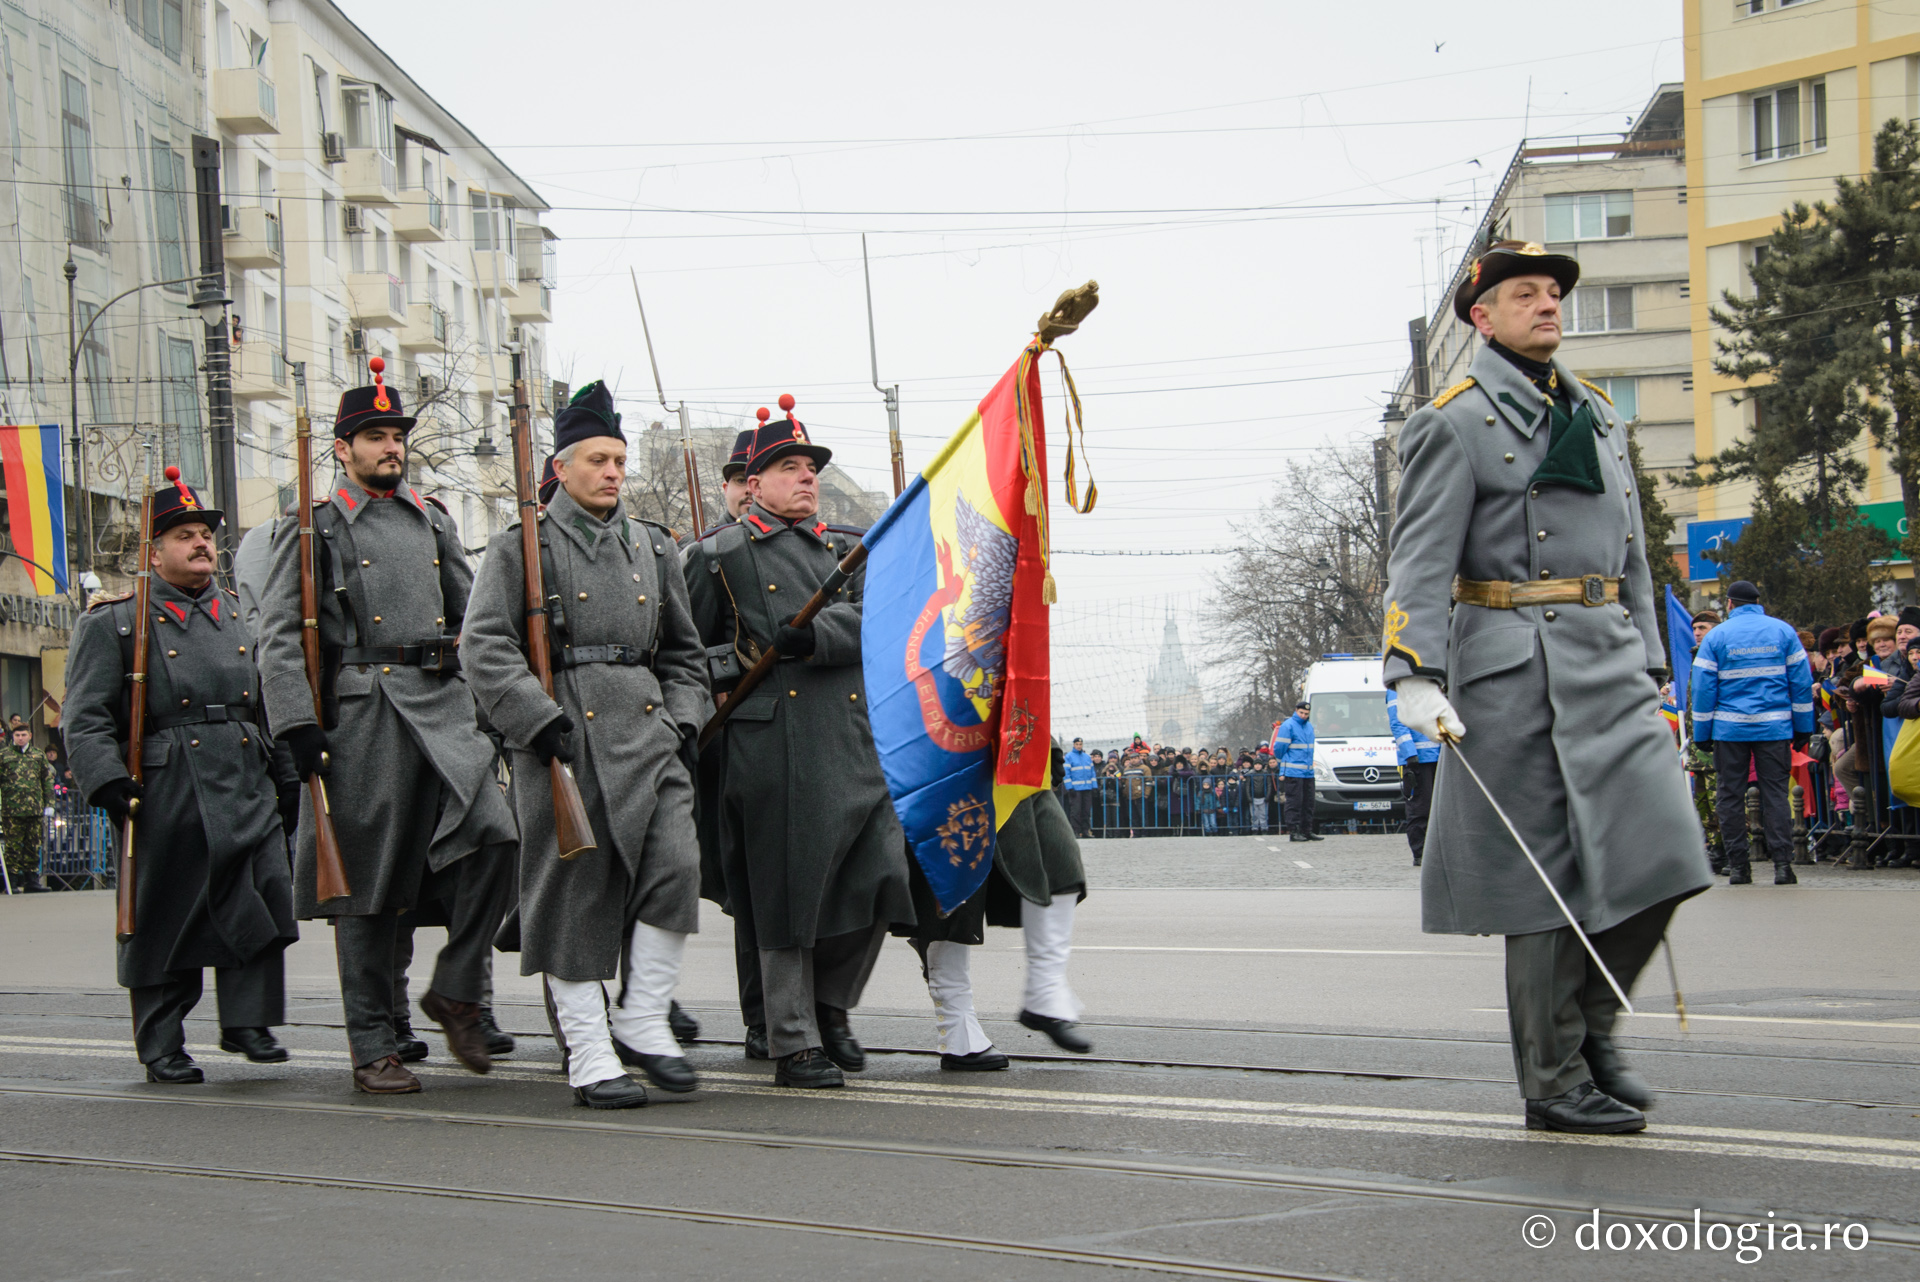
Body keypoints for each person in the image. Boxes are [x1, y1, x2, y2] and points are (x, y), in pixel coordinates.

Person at [1383, 240, 1711, 1135]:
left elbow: (1634, 554)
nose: (1548, 305)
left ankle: (1594, 1024)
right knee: (1543, 886)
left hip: (1606, 658)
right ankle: (1554, 1077)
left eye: (1554, 292)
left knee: (1669, 853)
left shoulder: (1598, 414)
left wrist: (1655, 670)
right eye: (1525, 294)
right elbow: (1417, 561)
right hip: (1512, 664)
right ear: (1481, 317)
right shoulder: (1451, 422)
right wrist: (1415, 670)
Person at [255, 368, 518, 1095]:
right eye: (375, 437)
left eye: (397, 436)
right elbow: (279, 638)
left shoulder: (433, 518)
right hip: (362, 715)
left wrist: (492, 707)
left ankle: (457, 990)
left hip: (441, 705)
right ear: (344, 449)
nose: (390, 448)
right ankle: (373, 1042)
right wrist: (297, 725)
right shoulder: (313, 527)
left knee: (498, 836)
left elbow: (474, 624)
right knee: (369, 891)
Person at [463, 382, 711, 1109]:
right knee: (575, 899)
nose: (612, 473)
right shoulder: (524, 548)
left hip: (648, 731)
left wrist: (685, 721)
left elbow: (684, 655)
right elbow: (483, 646)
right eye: (598, 459)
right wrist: (532, 716)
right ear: (562, 466)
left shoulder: (652, 545)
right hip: (562, 736)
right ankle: (590, 1051)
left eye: (619, 460)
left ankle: (640, 1016)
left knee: (677, 869)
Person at [682, 397, 913, 1088]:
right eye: (790, 467)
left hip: (849, 739)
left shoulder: (844, 552)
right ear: (753, 481)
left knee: (881, 876)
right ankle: (789, 1039)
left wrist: (818, 637)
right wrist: (742, 664)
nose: (807, 478)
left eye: (811, 467)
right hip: (770, 742)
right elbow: (686, 651)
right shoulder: (719, 554)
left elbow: (882, 624)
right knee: (785, 892)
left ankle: (827, 1005)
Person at [63, 471, 298, 1080]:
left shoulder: (237, 615)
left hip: (246, 771)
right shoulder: (116, 622)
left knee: (263, 890)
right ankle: (162, 1042)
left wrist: (287, 771)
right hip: (168, 781)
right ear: (154, 549)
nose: (201, 544)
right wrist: (107, 780)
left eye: (205, 535)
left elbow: (264, 703)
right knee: (166, 911)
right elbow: (84, 719)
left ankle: (248, 1020)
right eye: (184, 535)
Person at [1690, 580, 1812, 886]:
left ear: (1730, 604)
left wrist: (1702, 732)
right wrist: (1803, 727)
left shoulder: (1717, 636)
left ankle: (1740, 868)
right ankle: (1783, 866)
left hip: (1729, 731)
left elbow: (1704, 689)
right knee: (1775, 795)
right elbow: (1800, 682)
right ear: (1758, 602)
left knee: (1729, 796)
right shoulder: (1783, 631)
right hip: (1775, 728)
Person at [1385, 685, 1440, 867]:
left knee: (1439, 809)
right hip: (1416, 760)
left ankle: (1437, 852)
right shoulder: (1397, 689)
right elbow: (1398, 723)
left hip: (1439, 757)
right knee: (1420, 808)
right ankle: (1421, 853)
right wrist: (1410, 754)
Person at [1, 723, 52, 893]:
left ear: (30, 735)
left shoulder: (38, 755)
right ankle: (12, 882)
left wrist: (49, 804)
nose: (20, 738)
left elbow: (47, 780)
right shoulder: (4, 755)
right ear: (13, 737)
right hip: (12, 810)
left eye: (23, 735)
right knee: (12, 847)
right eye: (17, 735)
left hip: (34, 809)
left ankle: (32, 881)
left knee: (33, 845)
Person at [1272, 702, 1319, 843]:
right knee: (1294, 803)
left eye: (1306, 714)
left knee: (1308, 803)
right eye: (1301, 713)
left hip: (1308, 772)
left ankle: (1307, 830)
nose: (1304, 716)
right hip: (1293, 772)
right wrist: (1283, 763)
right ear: (1296, 711)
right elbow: (1279, 748)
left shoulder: (1309, 726)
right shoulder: (1288, 726)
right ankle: (1294, 831)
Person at [1060, 737, 1096, 837]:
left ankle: (1085, 831)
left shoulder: (1087, 757)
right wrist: (1069, 787)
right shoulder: (1069, 757)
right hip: (1075, 789)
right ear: (1074, 745)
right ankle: (1075, 831)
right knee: (1075, 811)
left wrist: (1094, 786)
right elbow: (1066, 773)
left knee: (1086, 811)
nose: (1079, 746)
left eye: (1080, 744)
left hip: (1087, 788)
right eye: (1077, 744)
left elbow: (1092, 772)